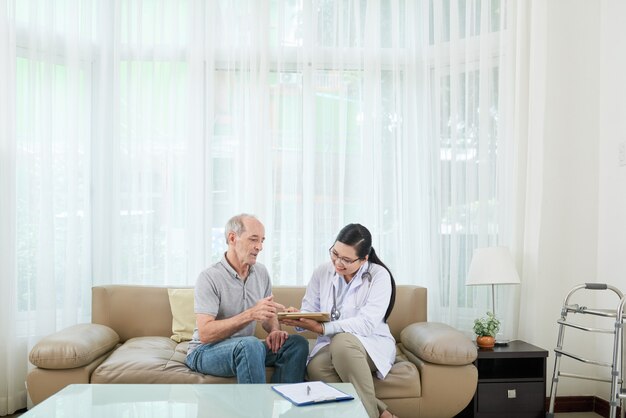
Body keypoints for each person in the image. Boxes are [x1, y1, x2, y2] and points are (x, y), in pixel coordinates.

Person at [280, 223, 398, 418]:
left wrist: (322, 328)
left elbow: (367, 324)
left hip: (370, 344)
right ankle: (381, 412)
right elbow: (310, 308)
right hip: (333, 346)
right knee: (316, 368)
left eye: (346, 259)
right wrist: (299, 316)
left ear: (363, 259)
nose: (337, 263)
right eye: (334, 253)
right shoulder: (322, 272)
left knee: (342, 341)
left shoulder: (378, 276)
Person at [186, 213, 309, 383]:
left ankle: (283, 402)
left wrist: (274, 330)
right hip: (205, 351)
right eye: (253, 239)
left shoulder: (261, 273)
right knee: (250, 345)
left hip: (248, 348)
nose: (259, 247)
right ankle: (256, 410)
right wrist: (251, 314)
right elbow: (206, 333)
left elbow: (268, 313)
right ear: (232, 238)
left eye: (262, 241)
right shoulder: (209, 277)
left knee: (296, 344)